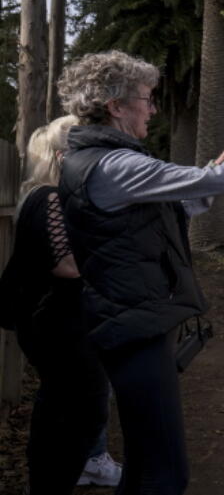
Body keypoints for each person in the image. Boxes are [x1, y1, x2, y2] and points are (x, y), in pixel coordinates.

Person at [56, 50, 224, 494]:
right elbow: (211, 185)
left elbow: (172, 209)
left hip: (128, 320)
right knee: (164, 471)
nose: (153, 109)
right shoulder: (113, 165)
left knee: (144, 464)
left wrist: (221, 160)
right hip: (133, 324)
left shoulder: (102, 162)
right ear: (115, 106)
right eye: (146, 98)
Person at [0, 116, 119, 493]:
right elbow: (67, 265)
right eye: (82, 149)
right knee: (81, 407)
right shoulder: (50, 196)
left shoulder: (44, 195)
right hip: (58, 326)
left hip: (54, 324)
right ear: (60, 156)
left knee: (61, 408)